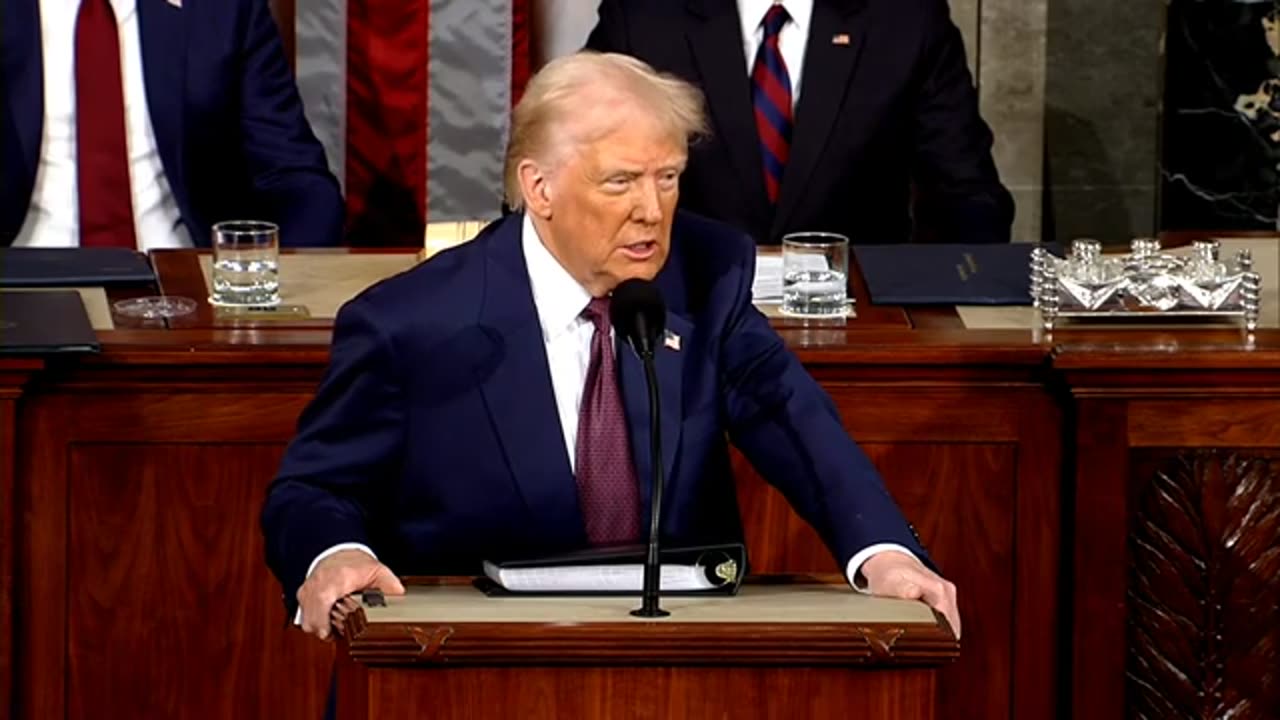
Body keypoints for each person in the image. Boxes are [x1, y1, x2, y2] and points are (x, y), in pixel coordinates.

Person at [261, 51, 960, 641]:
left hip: (678, 664)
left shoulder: (707, 275)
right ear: (539, 186)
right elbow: (314, 489)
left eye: (669, 178)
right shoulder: (411, 321)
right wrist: (334, 554)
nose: (651, 210)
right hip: (470, 667)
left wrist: (884, 552)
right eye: (620, 181)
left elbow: (796, 424)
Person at [584, 0, 1014, 245]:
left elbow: (967, 197)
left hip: (862, 331)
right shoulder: (641, 15)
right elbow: (582, 172)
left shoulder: (905, 18)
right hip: (684, 325)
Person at [1, 0, 344, 249]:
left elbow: (292, 173)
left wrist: (283, 283)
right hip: (20, 286)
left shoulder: (223, 11)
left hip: (184, 292)